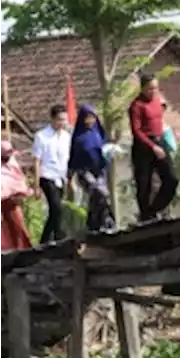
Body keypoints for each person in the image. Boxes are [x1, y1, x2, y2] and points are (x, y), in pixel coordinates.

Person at [129, 73, 179, 223]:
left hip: (159, 141)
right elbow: (136, 131)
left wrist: (164, 142)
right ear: (143, 88)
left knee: (171, 179)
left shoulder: (157, 101)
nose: (153, 91)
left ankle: (154, 209)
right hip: (143, 145)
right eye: (150, 89)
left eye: (156, 88)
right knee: (144, 184)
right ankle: (145, 216)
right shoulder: (137, 106)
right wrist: (152, 147)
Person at [69, 104, 115, 233]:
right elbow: (74, 157)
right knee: (100, 193)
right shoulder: (78, 137)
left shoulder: (98, 134)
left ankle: (96, 224)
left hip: (99, 171)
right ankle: (106, 220)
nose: (90, 121)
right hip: (84, 172)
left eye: (92, 118)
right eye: (87, 118)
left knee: (97, 199)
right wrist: (71, 173)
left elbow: (103, 150)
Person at [31, 104, 71, 244]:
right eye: (59, 120)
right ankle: (55, 238)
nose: (62, 123)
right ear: (52, 119)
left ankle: (49, 239)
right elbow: (36, 161)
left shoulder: (66, 137)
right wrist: (36, 186)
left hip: (61, 176)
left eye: (64, 120)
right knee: (56, 208)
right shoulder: (42, 136)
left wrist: (68, 180)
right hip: (47, 175)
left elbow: (66, 159)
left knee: (56, 212)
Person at [0, 140, 32, 251]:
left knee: (17, 225)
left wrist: (22, 192)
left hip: (12, 200)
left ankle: (22, 250)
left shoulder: (12, 164)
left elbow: (19, 179)